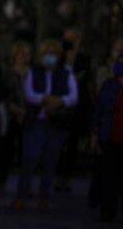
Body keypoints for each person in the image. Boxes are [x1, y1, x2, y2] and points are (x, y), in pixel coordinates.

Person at [13, 39, 78, 212]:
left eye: (53, 53)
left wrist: (59, 101)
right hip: (36, 121)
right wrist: (44, 99)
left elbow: (73, 96)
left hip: (56, 123)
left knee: (50, 162)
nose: (50, 57)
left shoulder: (66, 73)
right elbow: (29, 93)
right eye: (47, 53)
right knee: (29, 159)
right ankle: (21, 195)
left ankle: (44, 198)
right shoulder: (33, 72)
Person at [56, 28, 93, 193]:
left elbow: (84, 80)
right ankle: (57, 175)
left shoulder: (84, 59)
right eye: (66, 39)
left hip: (77, 107)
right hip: (60, 105)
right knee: (59, 142)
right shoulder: (58, 57)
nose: (69, 42)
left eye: (72, 39)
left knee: (73, 143)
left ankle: (67, 177)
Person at [0, 39, 29, 196]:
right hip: (10, 115)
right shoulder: (7, 73)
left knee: (26, 153)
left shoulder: (30, 73)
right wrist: (12, 107)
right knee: (7, 151)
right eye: (18, 54)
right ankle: (1, 183)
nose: (21, 57)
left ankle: (24, 186)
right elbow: (1, 93)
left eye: (24, 54)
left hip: (28, 116)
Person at [92, 47, 123, 222]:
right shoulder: (109, 85)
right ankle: (108, 208)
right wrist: (95, 132)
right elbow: (99, 109)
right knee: (109, 174)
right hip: (110, 136)